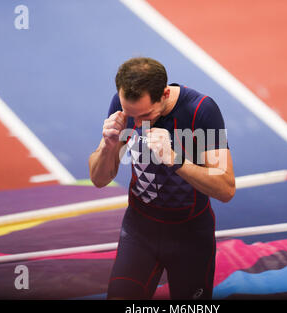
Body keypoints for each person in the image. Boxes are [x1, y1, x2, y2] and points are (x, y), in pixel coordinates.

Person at [88, 57, 235, 300]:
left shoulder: (201, 111)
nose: (136, 124)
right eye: (130, 115)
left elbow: (226, 189)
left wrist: (175, 159)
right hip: (139, 231)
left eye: (145, 115)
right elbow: (99, 179)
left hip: (191, 237)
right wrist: (109, 146)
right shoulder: (122, 106)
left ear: (164, 94)